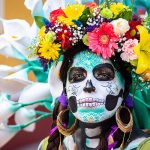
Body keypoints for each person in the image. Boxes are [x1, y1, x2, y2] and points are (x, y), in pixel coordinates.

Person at [33, 1, 150, 150]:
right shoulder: (48, 146)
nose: (88, 86)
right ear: (65, 90)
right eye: (77, 77)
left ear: (125, 88)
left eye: (103, 75)